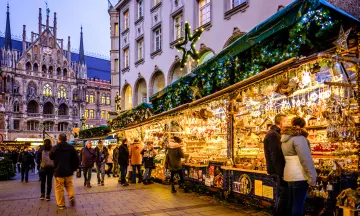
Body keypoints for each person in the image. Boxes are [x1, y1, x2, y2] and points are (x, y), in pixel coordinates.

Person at [281, 117, 317, 216]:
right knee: (298, 204)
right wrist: (312, 178)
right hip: (299, 175)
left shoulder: (285, 138)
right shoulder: (299, 138)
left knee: (292, 202)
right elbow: (306, 159)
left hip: (289, 174)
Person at [263, 113, 288, 216]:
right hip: (277, 171)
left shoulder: (274, 133)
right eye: (286, 121)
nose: (287, 124)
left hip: (275, 170)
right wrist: (281, 172)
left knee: (281, 194)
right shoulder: (274, 135)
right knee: (282, 195)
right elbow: (276, 155)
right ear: (281, 122)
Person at [50, 133, 79, 210]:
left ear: (59, 139)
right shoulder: (71, 147)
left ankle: (61, 204)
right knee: (69, 185)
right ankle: (71, 195)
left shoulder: (54, 148)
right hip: (69, 171)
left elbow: (51, 157)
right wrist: (75, 167)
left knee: (59, 188)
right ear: (66, 139)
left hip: (59, 171)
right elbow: (76, 159)